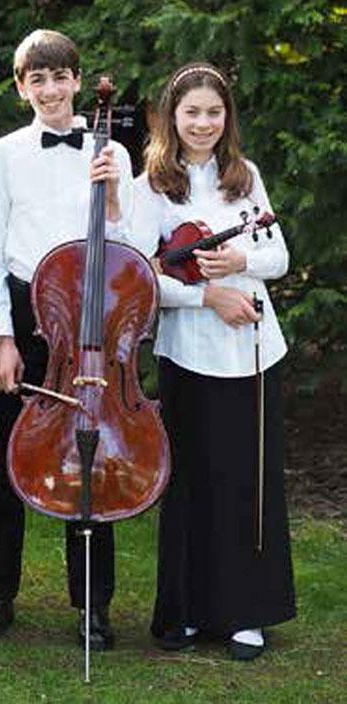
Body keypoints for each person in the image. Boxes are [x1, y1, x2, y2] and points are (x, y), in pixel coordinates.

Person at [0, 29, 133, 649]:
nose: (51, 89)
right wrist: (2, 338)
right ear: (20, 87)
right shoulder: (3, 154)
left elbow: (131, 243)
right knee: (9, 461)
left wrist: (114, 190)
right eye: (37, 79)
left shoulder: (111, 149)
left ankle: (93, 605)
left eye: (60, 77)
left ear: (78, 81)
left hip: (88, 320)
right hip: (22, 309)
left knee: (89, 457)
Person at [130, 62, 296, 660]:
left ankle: (247, 613)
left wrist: (240, 264)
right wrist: (207, 294)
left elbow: (278, 255)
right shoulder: (150, 184)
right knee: (192, 482)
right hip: (188, 351)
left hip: (252, 348)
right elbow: (144, 274)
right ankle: (189, 612)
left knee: (246, 482)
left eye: (214, 112)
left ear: (227, 119)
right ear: (172, 118)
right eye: (192, 112)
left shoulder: (243, 176)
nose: (203, 122)